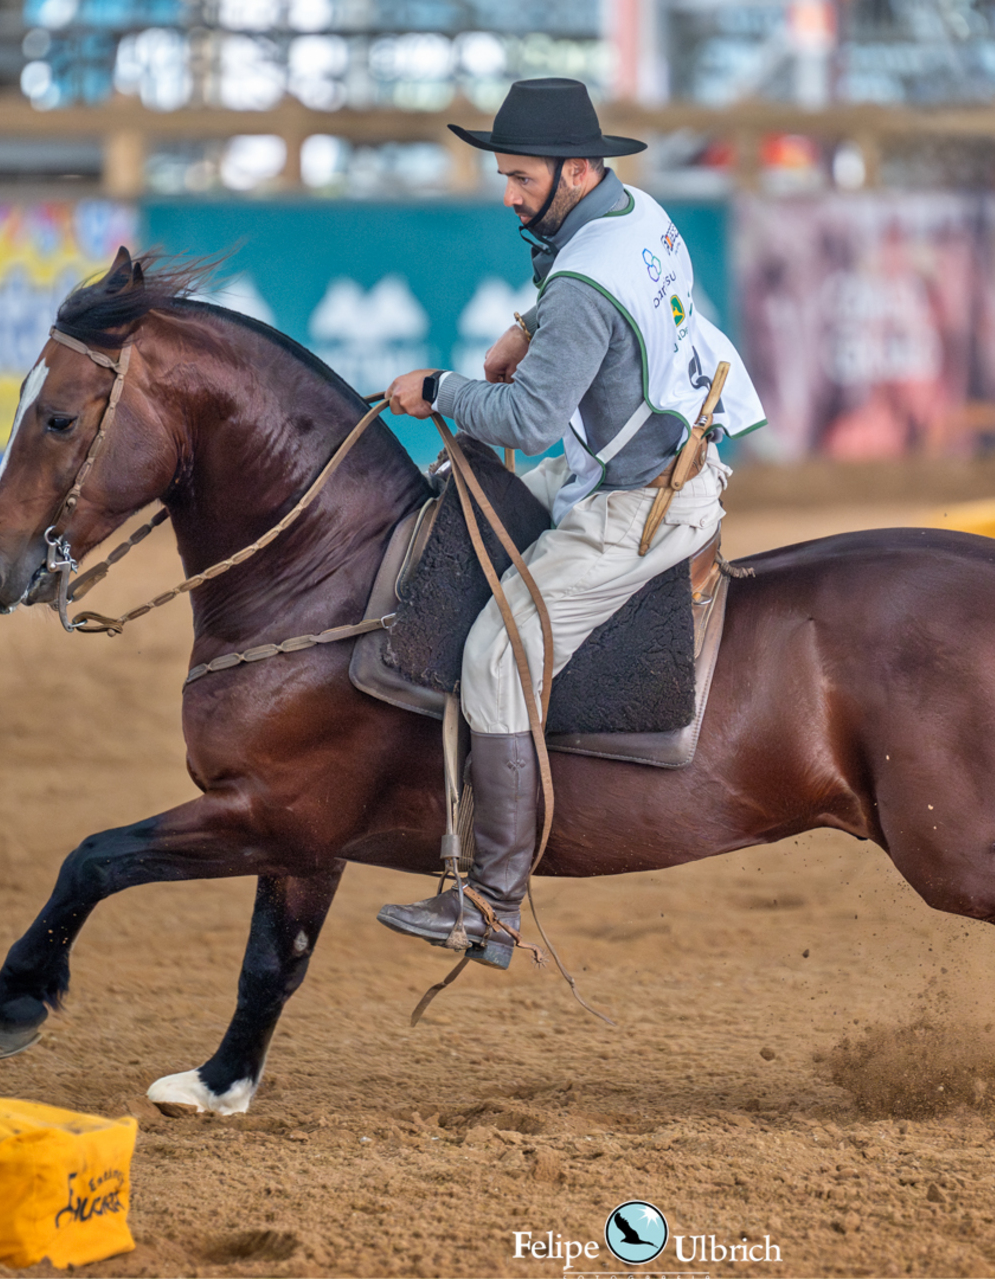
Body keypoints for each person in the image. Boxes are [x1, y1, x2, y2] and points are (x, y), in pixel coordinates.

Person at [377, 77, 766, 969]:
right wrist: (528, 326)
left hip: (637, 502)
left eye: (521, 178)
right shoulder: (636, 213)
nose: (508, 195)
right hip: (652, 458)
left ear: (577, 171)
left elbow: (527, 421)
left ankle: (491, 903)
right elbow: (589, 317)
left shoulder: (585, 279)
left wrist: (439, 388)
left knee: (493, 654)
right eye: (506, 177)